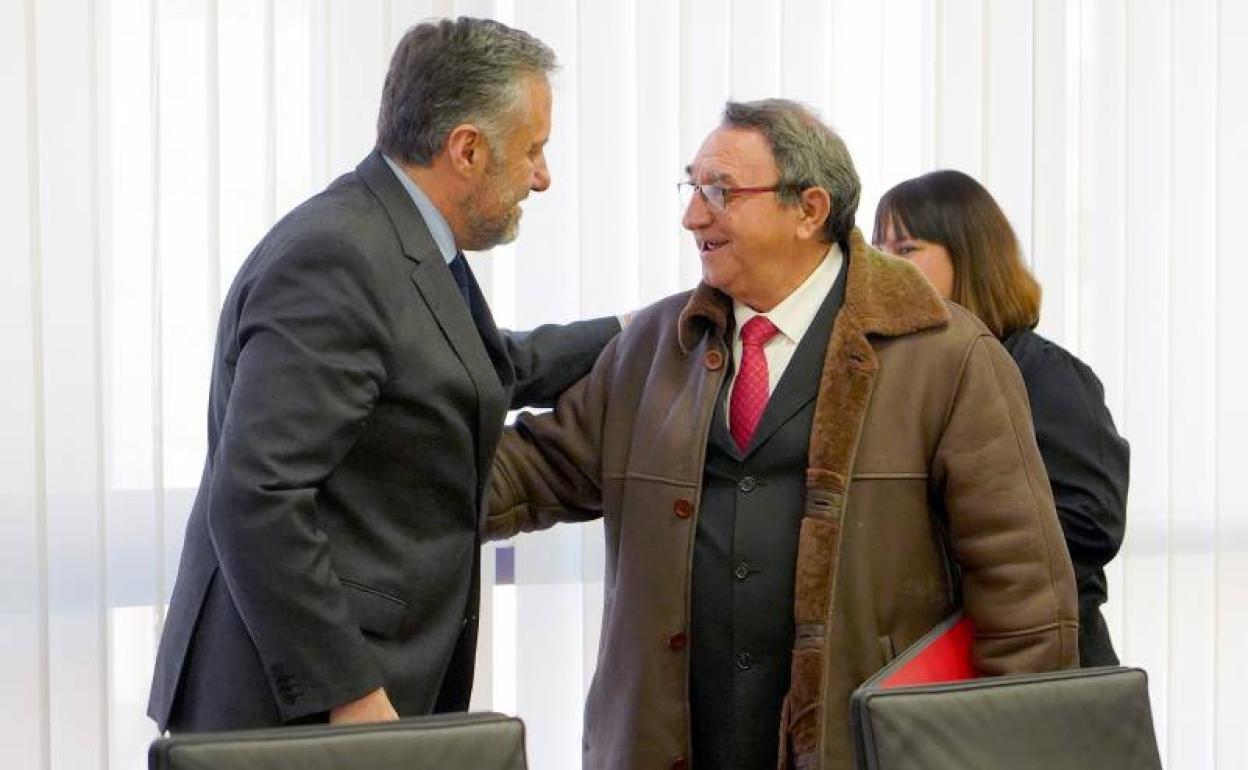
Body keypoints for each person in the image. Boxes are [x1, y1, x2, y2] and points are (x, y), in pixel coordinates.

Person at [487, 99, 1079, 770]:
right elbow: (532, 473)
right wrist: (391, 469)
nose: (692, 216)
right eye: (692, 186)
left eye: (721, 191)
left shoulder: (947, 356)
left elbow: (1024, 592)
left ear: (810, 210)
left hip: (862, 750)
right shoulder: (652, 348)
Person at [147, 17, 621, 732]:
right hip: (297, 712)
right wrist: (349, 691)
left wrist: (635, 335)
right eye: (534, 151)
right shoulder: (339, 258)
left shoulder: (398, 236)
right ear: (467, 149)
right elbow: (259, 496)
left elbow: (484, 364)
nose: (542, 178)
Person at [872, 169, 1129, 666]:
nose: (883, 267)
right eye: (876, 251)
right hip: (934, 657)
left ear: (970, 257)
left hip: (1038, 665)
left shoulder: (1046, 373)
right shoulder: (900, 373)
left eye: (905, 250)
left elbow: (1089, 522)